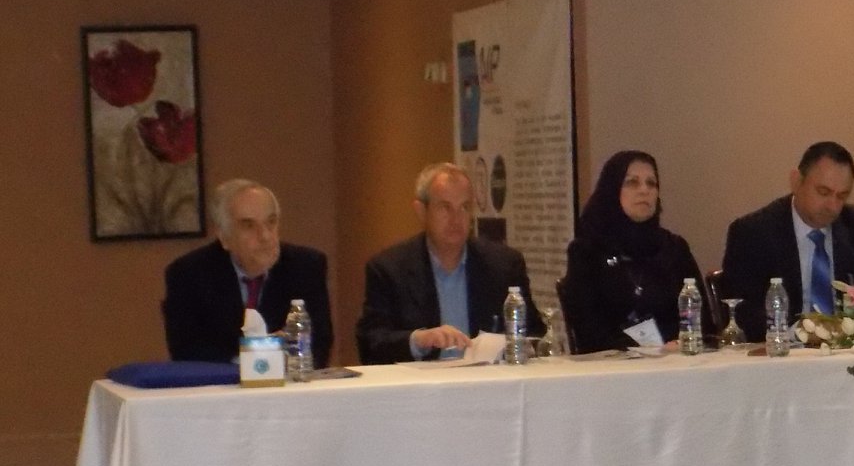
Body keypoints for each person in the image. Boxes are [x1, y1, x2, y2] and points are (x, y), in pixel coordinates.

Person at [356, 161, 544, 364]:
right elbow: (371, 343)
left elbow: (534, 332)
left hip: (489, 380)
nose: (456, 219)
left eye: (464, 207)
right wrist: (418, 340)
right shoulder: (389, 269)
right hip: (422, 382)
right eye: (445, 207)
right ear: (421, 211)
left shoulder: (504, 265)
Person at [718, 141, 854, 342]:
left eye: (842, 196)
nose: (833, 206)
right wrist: (797, 333)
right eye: (823, 192)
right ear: (796, 182)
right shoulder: (753, 232)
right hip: (783, 352)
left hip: (850, 350)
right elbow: (741, 312)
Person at [162, 178, 334, 365]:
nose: (265, 236)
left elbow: (319, 345)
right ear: (224, 236)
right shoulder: (188, 274)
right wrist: (259, 354)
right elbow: (187, 353)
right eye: (249, 226)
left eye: (271, 222)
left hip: (288, 381)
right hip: (223, 382)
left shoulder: (306, 267)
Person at [560, 150, 706, 352]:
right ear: (612, 190)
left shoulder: (674, 248)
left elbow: (703, 321)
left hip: (677, 360)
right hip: (613, 364)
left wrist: (678, 345)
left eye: (651, 183)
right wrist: (648, 351)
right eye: (632, 183)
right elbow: (588, 331)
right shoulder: (587, 251)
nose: (644, 190)